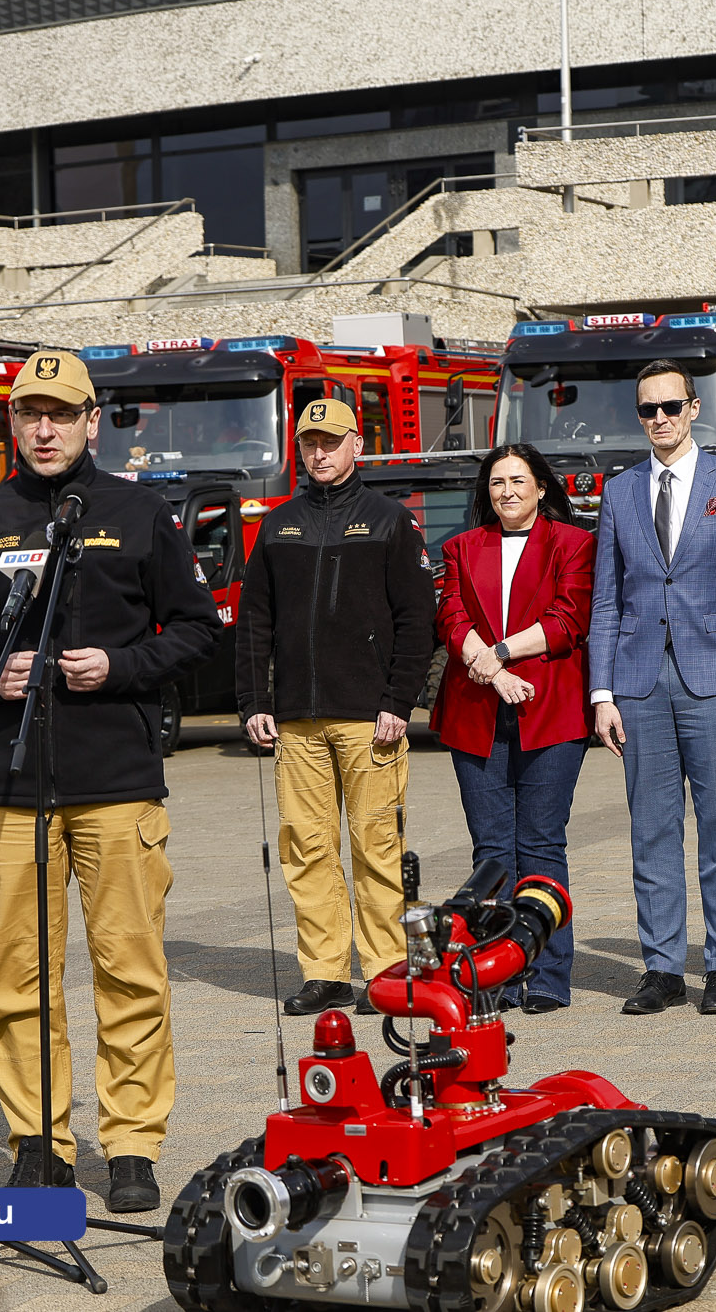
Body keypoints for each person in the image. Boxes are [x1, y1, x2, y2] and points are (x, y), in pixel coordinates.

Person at [0, 349, 220, 1213]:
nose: (43, 430)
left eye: (61, 413)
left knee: (130, 969)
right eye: (28, 414)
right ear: (10, 424)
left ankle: (129, 1144)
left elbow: (199, 628)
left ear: (94, 421)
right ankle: (38, 1143)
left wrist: (120, 665)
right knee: (16, 977)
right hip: (8, 790)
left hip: (118, 783)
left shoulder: (136, 511)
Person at [235, 397, 436, 1019]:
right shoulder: (278, 525)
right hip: (296, 717)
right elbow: (253, 622)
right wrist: (254, 701)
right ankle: (325, 973)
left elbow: (416, 619)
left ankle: (383, 970)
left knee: (376, 845)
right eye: (309, 443)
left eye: (330, 441)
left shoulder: (389, 521)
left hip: (370, 717)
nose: (319, 453)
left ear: (357, 446)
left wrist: (400, 700)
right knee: (307, 846)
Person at [588, 358, 716, 1016]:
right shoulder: (619, 492)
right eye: (649, 409)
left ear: (695, 409)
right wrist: (601, 693)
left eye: (672, 406)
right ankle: (662, 968)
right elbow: (605, 600)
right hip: (640, 684)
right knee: (652, 830)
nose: (661, 418)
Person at [431, 444, 596, 1012]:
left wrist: (497, 655)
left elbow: (568, 619)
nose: (505, 491)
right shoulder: (459, 547)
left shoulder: (573, 544)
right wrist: (491, 670)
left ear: (541, 488)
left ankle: (549, 972)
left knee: (542, 844)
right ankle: (493, 974)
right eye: (496, 482)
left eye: (517, 480)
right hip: (476, 713)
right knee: (492, 851)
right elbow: (450, 615)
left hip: (550, 711)